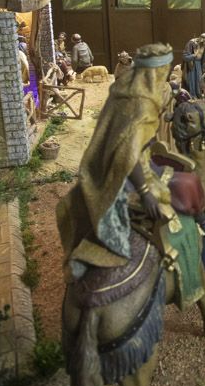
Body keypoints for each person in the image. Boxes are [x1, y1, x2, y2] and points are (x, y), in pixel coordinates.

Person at [56, 43, 176, 279]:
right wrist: (145, 192)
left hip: (98, 163)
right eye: (164, 70)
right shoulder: (141, 102)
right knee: (174, 196)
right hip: (124, 173)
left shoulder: (124, 86)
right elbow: (127, 155)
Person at [183, 33, 205, 97]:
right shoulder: (191, 43)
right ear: (202, 39)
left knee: (199, 80)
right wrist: (194, 55)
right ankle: (192, 95)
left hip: (199, 64)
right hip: (191, 64)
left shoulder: (204, 46)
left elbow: (204, 58)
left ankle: (198, 94)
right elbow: (185, 56)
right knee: (192, 80)